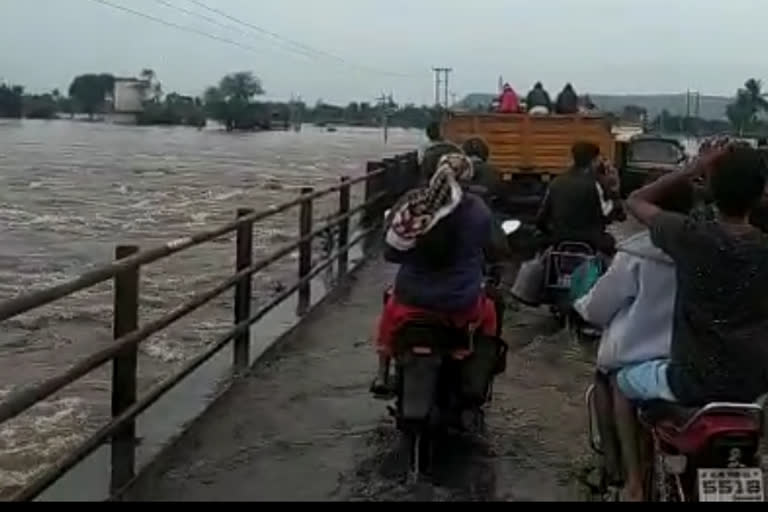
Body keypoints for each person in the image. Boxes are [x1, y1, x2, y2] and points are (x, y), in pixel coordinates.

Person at [614, 144, 768, 501]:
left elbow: (635, 201)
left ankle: (634, 485)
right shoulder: (763, 249)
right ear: (759, 192)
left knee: (622, 385)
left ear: (709, 188)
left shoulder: (690, 236)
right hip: (753, 386)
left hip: (691, 382)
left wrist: (692, 167)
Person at [573, 179, 694, 494]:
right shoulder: (705, 252)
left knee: (606, 377)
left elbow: (598, 308)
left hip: (640, 361)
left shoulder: (635, 255)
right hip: (691, 359)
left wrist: (580, 304)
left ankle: (623, 475)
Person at [371, 153, 507, 393]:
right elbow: (495, 249)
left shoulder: (414, 204)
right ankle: (477, 375)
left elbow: (391, 253)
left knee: (388, 308)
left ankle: (382, 372)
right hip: (460, 304)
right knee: (491, 310)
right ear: (468, 178)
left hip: (411, 298)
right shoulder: (478, 210)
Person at [536, 141, 617, 254]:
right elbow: (607, 214)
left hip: (559, 242)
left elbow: (541, 218)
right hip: (590, 244)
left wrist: (551, 233)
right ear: (594, 161)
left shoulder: (556, 182)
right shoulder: (595, 183)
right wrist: (614, 193)